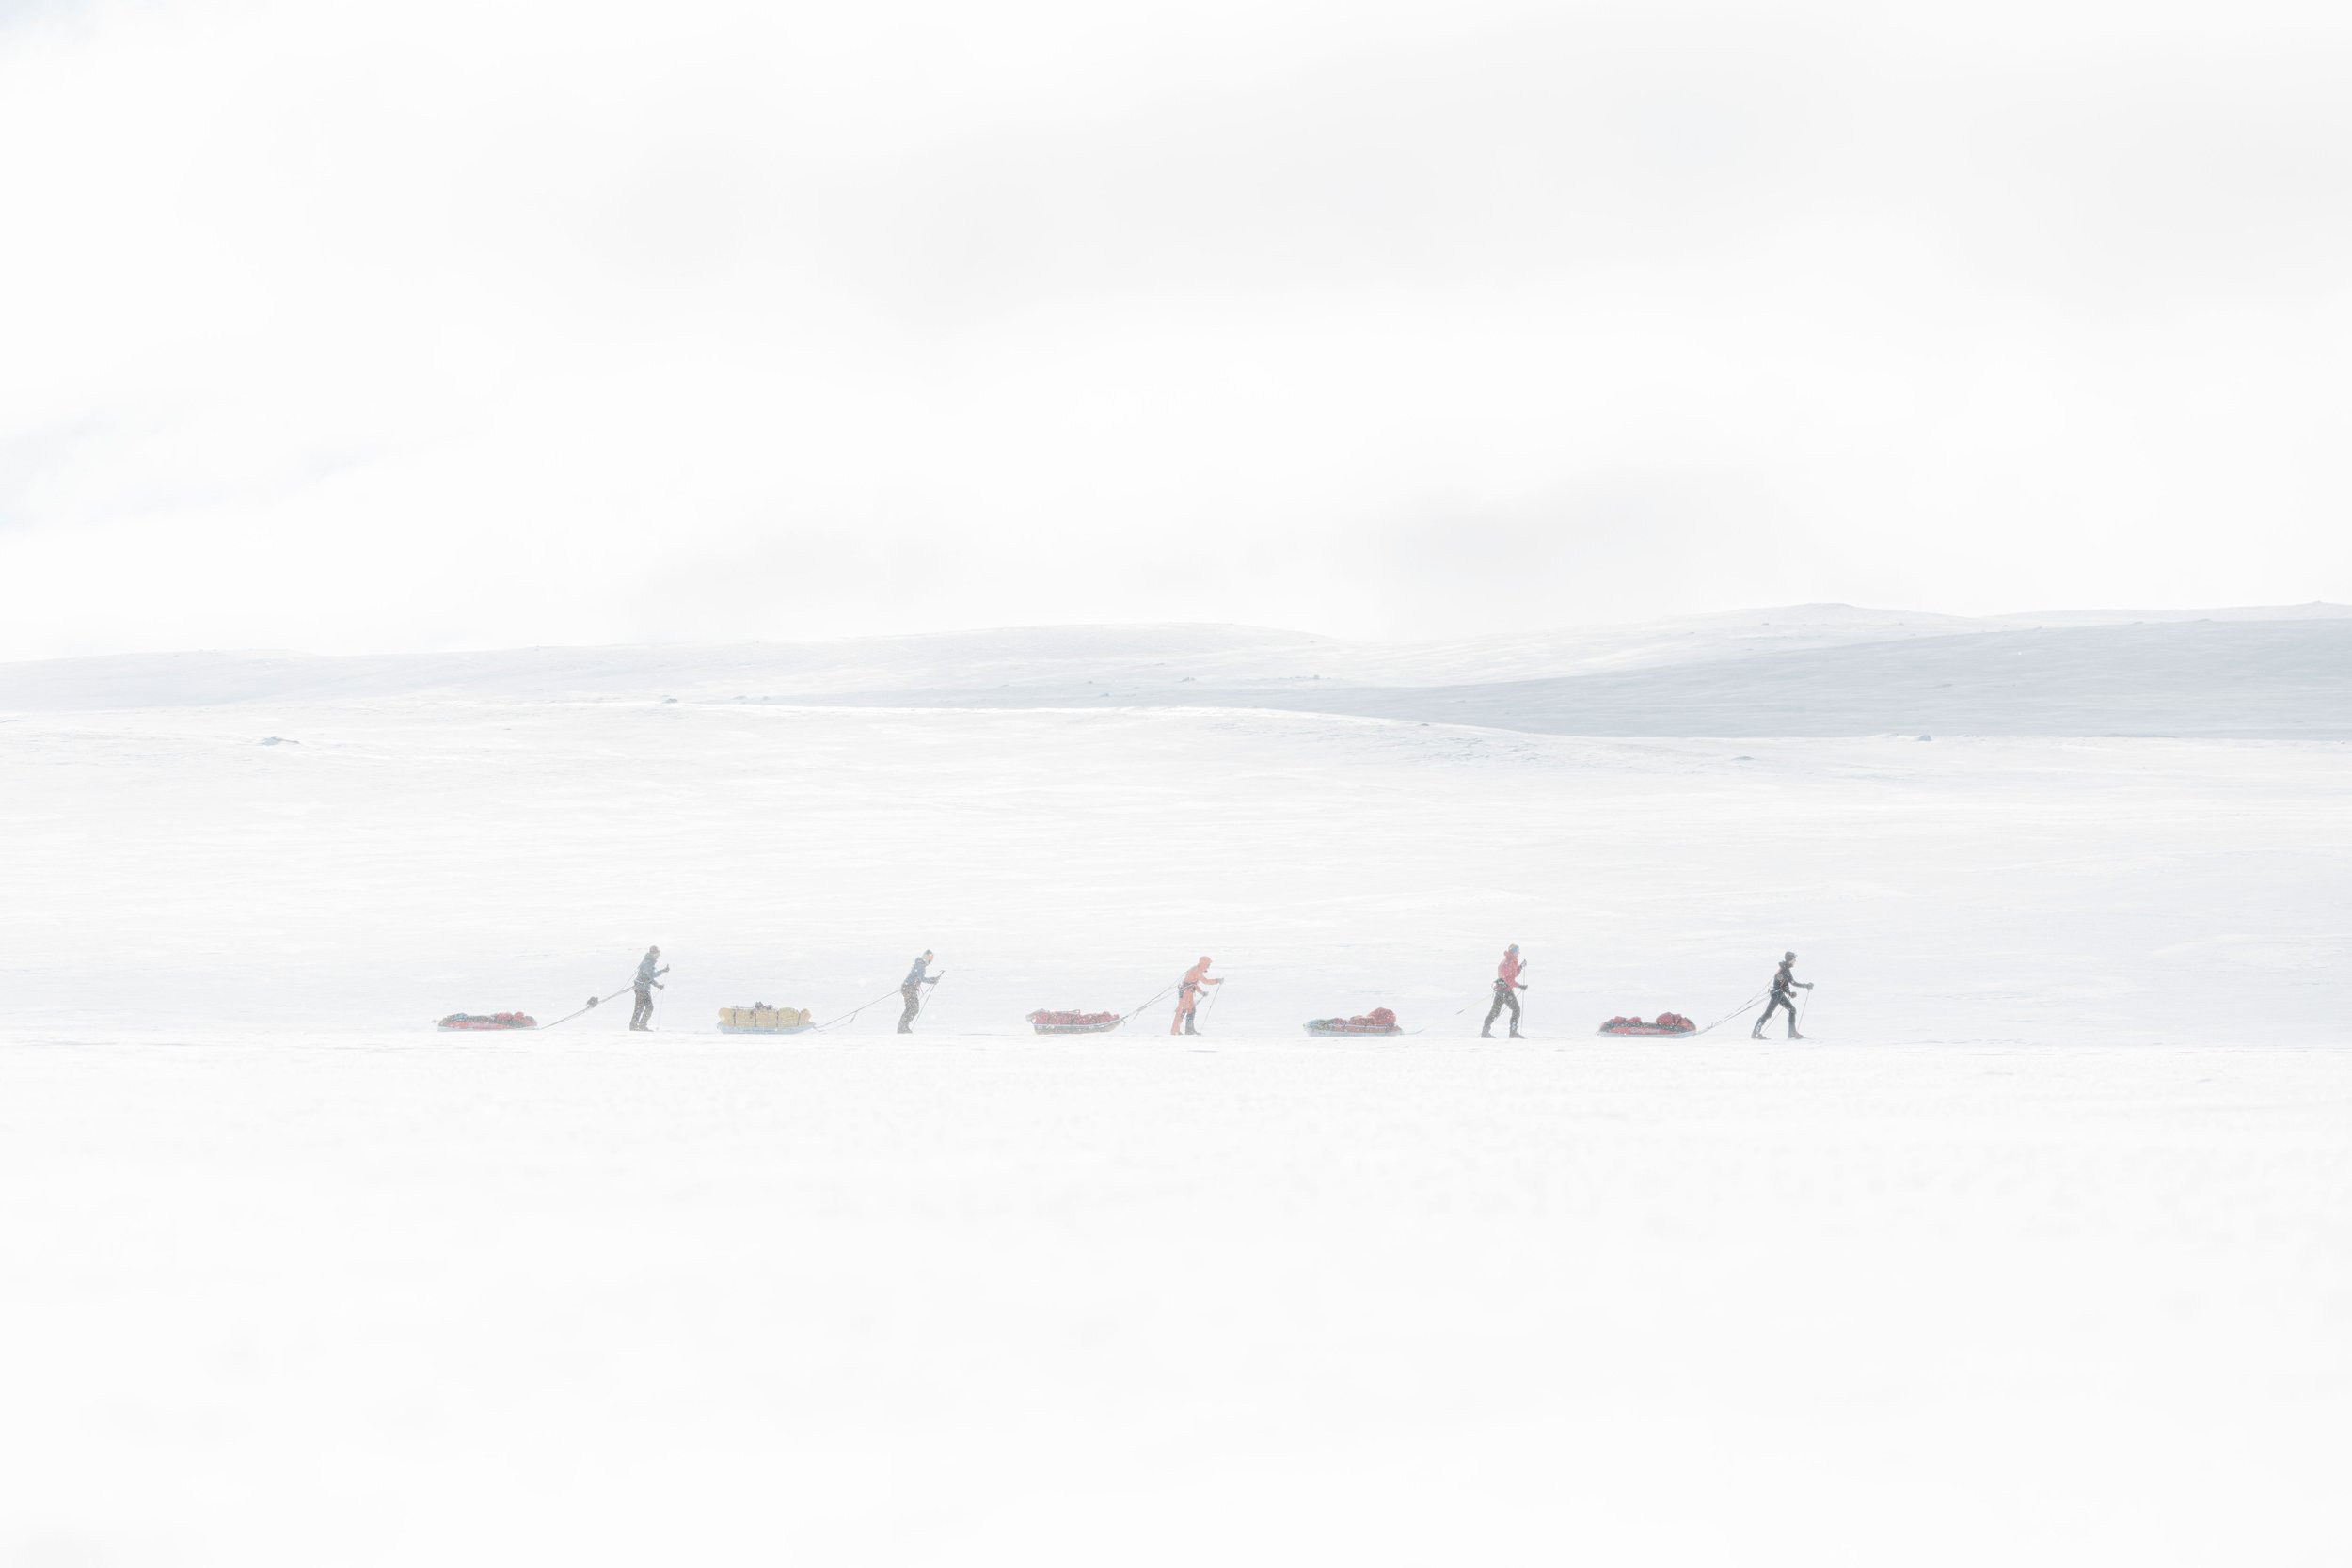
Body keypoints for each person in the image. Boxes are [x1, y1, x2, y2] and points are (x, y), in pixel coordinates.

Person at [1752, 950, 1812, 1039]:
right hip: (1776, 995)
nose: (1795, 961)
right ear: (1790, 959)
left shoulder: (1784, 969)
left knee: (1792, 1010)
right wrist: (1806, 986)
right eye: (1794, 959)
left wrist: (1789, 993)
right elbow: (1792, 983)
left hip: (1778, 994)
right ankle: (1755, 1033)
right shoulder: (1784, 970)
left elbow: (1783, 984)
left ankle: (1792, 1033)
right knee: (1768, 1014)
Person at [1482, 943, 1527, 1038]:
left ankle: (1485, 1032)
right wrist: (1519, 986)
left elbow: (1513, 974)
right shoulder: (1507, 963)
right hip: (1506, 992)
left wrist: (1520, 967)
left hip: (1501, 991)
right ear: (1513, 952)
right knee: (1516, 1010)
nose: (1518, 953)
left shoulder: (1510, 961)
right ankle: (1513, 1033)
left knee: (1494, 1012)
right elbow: (1508, 980)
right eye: (1517, 951)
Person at [1170, 956, 1222, 1036]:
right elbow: (1205, 981)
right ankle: (1175, 1031)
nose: (1208, 966)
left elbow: (1193, 984)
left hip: (1188, 992)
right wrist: (1217, 981)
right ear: (1203, 964)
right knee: (1182, 1011)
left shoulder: (1197, 970)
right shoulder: (1197, 971)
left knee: (1191, 1010)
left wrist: (1201, 992)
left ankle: (1189, 1030)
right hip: (1185, 993)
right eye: (1208, 964)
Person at [898, 951, 941, 1033]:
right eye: (929, 957)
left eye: (932, 958)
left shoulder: (920, 964)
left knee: (911, 1008)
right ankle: (902, 1027)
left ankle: (902, 1027)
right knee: (913, 1008)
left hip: (908, 988)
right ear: (925, 957)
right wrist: (932, 980)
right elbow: (922, 978)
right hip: (909, 988)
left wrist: (932, 980)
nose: (930, 960)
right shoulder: (920, 965)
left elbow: (919, 978)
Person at [630, 945, 667, 1031]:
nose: (659, 955)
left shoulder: (648, 961)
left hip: (642, 988)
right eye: (658, 953)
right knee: (647, 1007)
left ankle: (635, 1026)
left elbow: (648, 978)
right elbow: (651, 975)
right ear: (653, 953)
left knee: (640, 1008)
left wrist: (658, 985)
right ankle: (639, 1026)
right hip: (641, 989)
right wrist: (662, 971)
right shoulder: (648, 963)